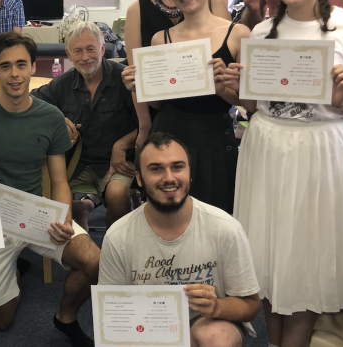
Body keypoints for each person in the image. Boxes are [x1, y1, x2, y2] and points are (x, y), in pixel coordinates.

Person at [222, 0, 343, 347]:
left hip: (323, 149)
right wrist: (232, 89)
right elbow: (253, 104)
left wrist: (342, 100)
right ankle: (275, 342)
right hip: (269, 145)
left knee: (309, 252)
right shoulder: (261, 31)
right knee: (269, 251)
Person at [0, 33, 100, 347]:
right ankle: (17, 269)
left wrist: (65, 218)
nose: (14, 74)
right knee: (3, 322)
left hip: (37, 214)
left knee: (96, 262)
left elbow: (60, 180)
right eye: (6, 66)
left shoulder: (49, 117)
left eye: (21, 65)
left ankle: (64, 317)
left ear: (31, 67)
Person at [99, 133, 261, 347]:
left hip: (207, 324)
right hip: (145, 332)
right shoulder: (118, 236)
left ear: (189, 173)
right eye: (156, 169)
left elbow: (250, 306)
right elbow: (112, 317)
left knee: (218, 336)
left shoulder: (225, 228)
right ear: (139, 178)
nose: (169, 178)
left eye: (177, 167)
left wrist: (217, 307)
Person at [122, 0, 250, 215]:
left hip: (215, 137)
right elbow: (159, 102)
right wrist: (139, 87)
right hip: (169, 131)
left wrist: (223, 87)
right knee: (167, 212)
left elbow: (250, 104)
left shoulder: (237, 34)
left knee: (216, 213)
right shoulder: (161, 39)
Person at [124, 0, 232, 147]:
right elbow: (139, 78)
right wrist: (144, 126)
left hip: (211, 117)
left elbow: (229, 56)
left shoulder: (213, 0)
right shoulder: (137, 11)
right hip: (163, 116)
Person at [31, 21, 138, 230]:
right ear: (68, 55)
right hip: (75, 162)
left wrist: (123, 144)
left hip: (114, 161)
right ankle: (81, 209)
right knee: (41, 195)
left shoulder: (124, 79)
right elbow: (32, 102)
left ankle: (112, 248)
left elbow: (149, 122)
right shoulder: (63, 83)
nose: (85, 57)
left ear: (102, 48)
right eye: (77, 51)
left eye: (90, 49)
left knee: (117, 195)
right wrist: (57, 117)